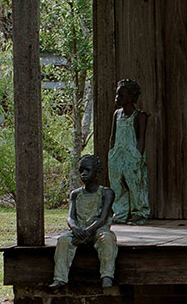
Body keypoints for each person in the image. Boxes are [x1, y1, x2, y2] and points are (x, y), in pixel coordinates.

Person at [51, 154, 117, 288]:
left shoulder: (106, 193)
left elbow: (103, 218)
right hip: (80, 230)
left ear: (96, 172)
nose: (83, 174)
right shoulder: (75, 194)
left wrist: (87, 233)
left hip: (98, 230)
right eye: (81, 171)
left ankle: (107, 276)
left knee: (108, 240)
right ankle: (60, 278)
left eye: (87, 170)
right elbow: (71, 216)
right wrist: (74, 228)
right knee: (63, 241)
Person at [110, 78, 150, 223]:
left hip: (132, 155)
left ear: (131, 97)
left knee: (135, 184)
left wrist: (137, 155)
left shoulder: (139, 116)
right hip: (117, 155)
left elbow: (141, 138)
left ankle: (140, 211)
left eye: (121, 96)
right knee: (117, 185)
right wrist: (112, 152)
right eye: (117, 95)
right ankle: (120, 212)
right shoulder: (117, 115)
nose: (117, 98)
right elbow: (113, 136)